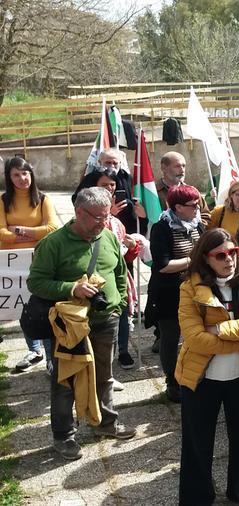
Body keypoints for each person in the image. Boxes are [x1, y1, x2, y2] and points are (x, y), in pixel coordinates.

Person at [27, 187, 135, 461]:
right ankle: (64, 436)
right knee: (66, 381)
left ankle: (106, 424)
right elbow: (36, 282)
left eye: (106, 215)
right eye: (98, 217)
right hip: (69, 326)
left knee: (104, 375)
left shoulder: (108, 236)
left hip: (106, 320)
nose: (103, 222)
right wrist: (71, 288)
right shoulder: (54, 244)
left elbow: (120, 273)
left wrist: (119, 303)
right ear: (79, 213)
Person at [176, 228, 239, 506]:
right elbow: (195, 338)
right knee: (197, 441)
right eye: (220, 255)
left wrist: (219, 328)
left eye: (233, 252)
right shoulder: (189, 288)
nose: (229, 259)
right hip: (202, 378)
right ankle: (196, 496)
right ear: (206, 258)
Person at [147, 185, 206, 403]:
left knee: (195, 336)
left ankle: (194, 374)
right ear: (178, 207)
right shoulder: (161, 228)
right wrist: (195, 260)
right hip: (169, 294)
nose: (197, 208)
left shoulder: (197, 224)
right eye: (193, 205)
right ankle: (172, 380)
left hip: (195, 291)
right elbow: (163, 265)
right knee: (170, 338)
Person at [1, 157, 61, 371]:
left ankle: (49, 357)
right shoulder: (3, 201)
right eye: (16, 174)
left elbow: (53, 228)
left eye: (25, 173)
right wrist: (35, 233)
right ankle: (33, 350)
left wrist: (18, 230)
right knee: (21, 306)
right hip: (13, 264)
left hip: (40, 261)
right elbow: (1, 233)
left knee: (42, 307)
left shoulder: (43, 199)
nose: (22, 178)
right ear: (9, 177)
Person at [81, 169, 142, 370]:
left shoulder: (117, 223)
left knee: (122, 315)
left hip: (119, 280)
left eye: (112, 185)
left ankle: (121, 351)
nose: (110, 188)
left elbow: (123, 256)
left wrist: (133, 247)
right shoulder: (82, 224)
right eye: (104, 184)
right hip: (92, 284)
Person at [156, 151, 211, 225]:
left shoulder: (193, 192)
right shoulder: (154, 193)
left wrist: (192, 228)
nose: (182, 170)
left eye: (183, 166)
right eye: (177, 166)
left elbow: (206, 216)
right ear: (164, 168)